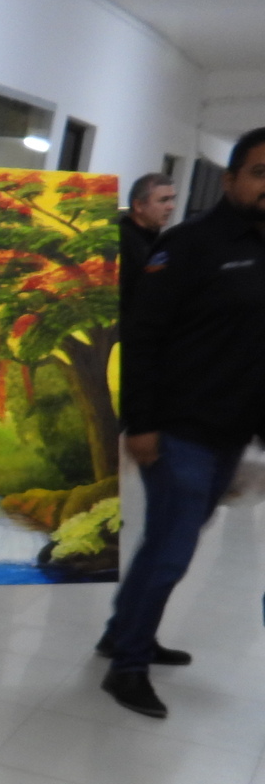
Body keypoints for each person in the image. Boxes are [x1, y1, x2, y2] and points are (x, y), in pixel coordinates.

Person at [97, 127, 265, 718]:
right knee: (172, 550)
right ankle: (128, 667)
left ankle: (122, 634)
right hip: (177, 430)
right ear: (231, 179)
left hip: (229, 433)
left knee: (168, 541)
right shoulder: (190, 243)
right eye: (260, 173)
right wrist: (140, 423)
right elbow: (143, 337)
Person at [119, 171, 176, 294]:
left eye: (172, 199)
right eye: (163, 200)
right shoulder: (120, 240)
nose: (171, 207)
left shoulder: (159, 240)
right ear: (138, 205)